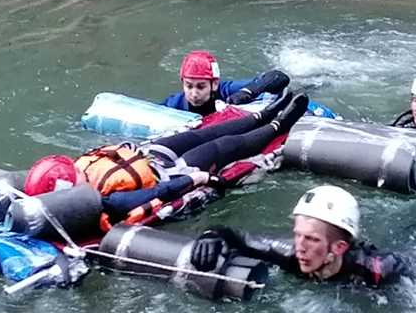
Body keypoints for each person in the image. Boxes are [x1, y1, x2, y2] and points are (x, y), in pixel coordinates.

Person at [26, 90, 310, 222]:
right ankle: (279, 125)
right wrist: (196, 179)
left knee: (203, 133)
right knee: (224, 145)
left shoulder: (79, 174)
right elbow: (155, 193)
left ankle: (265, 112)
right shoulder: (101, 203)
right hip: (173, 170)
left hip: (149, 154)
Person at [189, 185, 416, 287]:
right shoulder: (288, 253)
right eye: (298, 235)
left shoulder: (379, 269)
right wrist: (211, 234)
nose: (300, 246)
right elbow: (236, 237)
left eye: (311, 239)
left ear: (338, 248)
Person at [162, 50, 291, 116]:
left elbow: (278, 77)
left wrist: (247, 92)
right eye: (188, 86)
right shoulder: (174, 103)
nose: (194, 94)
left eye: (201, 86)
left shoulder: (226, 91)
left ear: (215, 83)